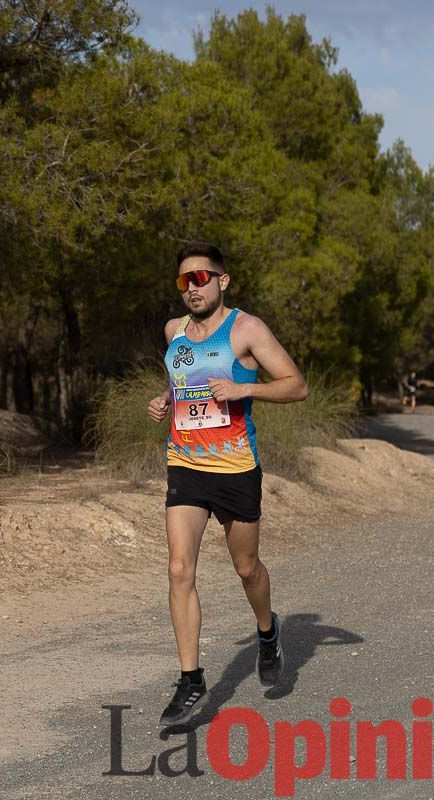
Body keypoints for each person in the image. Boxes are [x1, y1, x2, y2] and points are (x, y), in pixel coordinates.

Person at [146, 241, 308, 727]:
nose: (192, 288)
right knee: (179, 568)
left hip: (236, 468)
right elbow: (185, 387)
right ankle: (191, 679)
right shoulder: (174, 331)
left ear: (223, 280)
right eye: (184, 281)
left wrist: (246, 388)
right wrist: (164, 400)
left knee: (247, 568)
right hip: (186, 464)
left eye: (201, 278)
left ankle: (266, 631)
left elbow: (296, 385)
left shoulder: (247, 329)